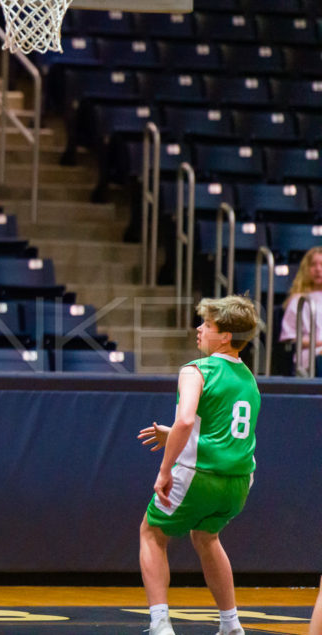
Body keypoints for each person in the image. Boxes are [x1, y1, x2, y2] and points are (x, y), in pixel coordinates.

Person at [137, 295, 262, 635]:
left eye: (207, 325)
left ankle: (160, 624)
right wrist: (176, 435)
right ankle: (231, 624)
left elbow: (187, 419)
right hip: (239, 481)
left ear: (225, 336)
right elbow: (221, 429)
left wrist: (165, 470)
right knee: (207, 537)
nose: (199, 329)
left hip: (200, 474)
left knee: (151, 534)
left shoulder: (197, 369)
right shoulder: (249, 379)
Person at [278, 246, 322, 375]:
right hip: (310, 354)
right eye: (313, 265)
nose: (318, 269)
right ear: (306, 269)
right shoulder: (299, 300)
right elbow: (291, 339)